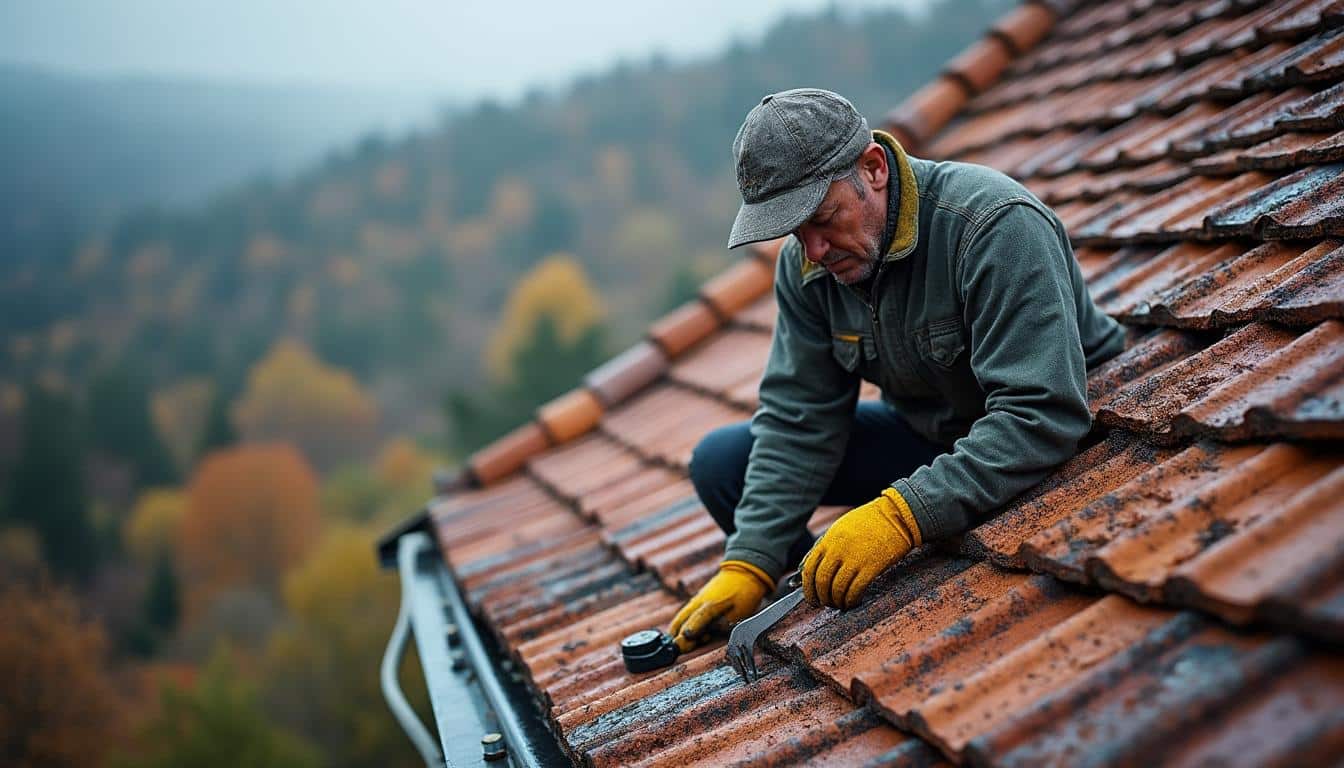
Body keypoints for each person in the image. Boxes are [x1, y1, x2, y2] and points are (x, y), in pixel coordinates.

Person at [667, 88, 1124, 652]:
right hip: (935, 437)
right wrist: (749, 561)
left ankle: (898, 553)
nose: (814, 250)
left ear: (874, 169)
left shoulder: (993, 224)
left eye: (823, 218)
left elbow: (1042, 412)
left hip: (1055, 433)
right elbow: (798, 419)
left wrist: (902, 515)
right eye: (794, 231)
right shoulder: (810, 266)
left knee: (983, 465)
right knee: (722, 464)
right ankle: (821, 591)